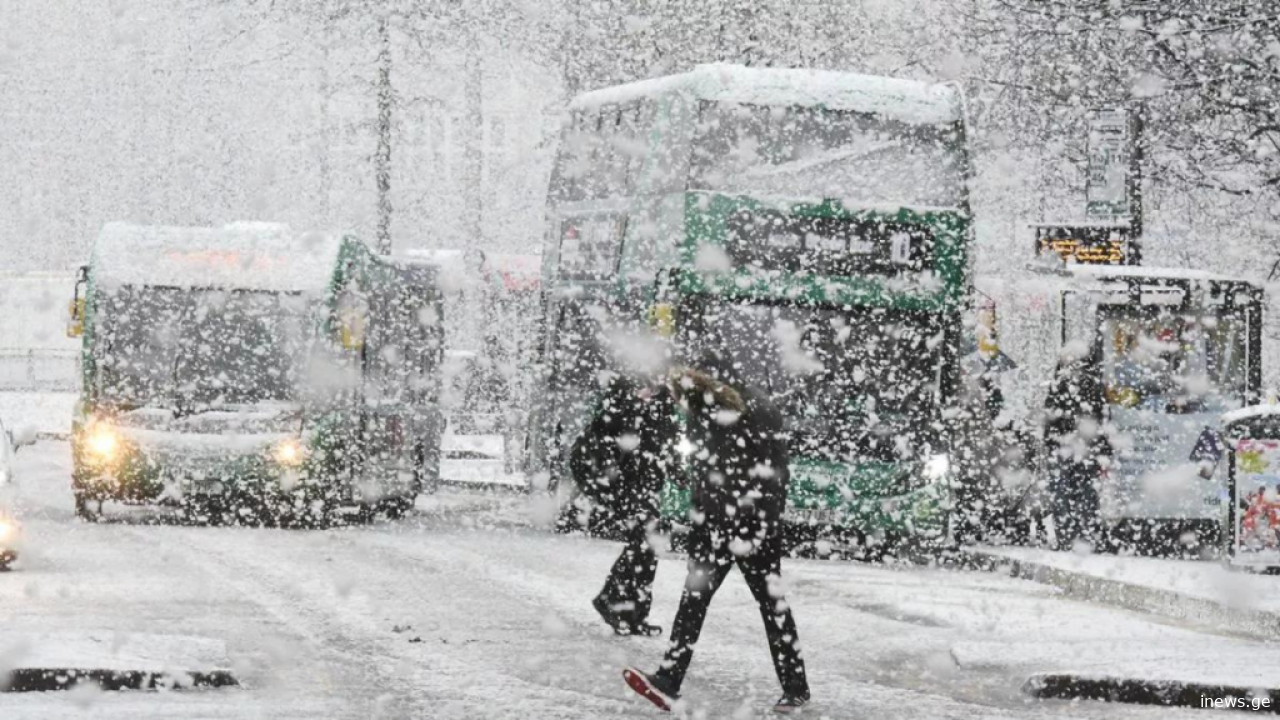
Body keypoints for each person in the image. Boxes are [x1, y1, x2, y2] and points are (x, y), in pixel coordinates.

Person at [624, 355, 810, 715]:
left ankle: (794, 688)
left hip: (741, 524)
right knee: (735, 603)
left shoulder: (741, 411)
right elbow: (717, 469)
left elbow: (762, 472)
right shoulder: (723, 406)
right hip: (731, 522)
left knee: (746, 604)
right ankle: (670, 681)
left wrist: (748, 519)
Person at [569, 374, 677, 637]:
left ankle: (630, 611)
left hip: (645, 484)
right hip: (624, 484)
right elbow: (601, 440)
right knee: (645, 539)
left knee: (649, 542)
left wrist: (674, 467)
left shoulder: (664, 404)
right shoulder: (624, 399)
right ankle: (617, 602)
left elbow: (663, 443)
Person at [1044, 353, 1109, 549]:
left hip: (1072, 447)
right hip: (1079, 447)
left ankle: (1072, 536)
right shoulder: (1092, 387)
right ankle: (1081, 536)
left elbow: (1051, 418)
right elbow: (1102, 418)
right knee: (1080, 492)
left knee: (1069, 492)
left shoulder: (1062, 386)